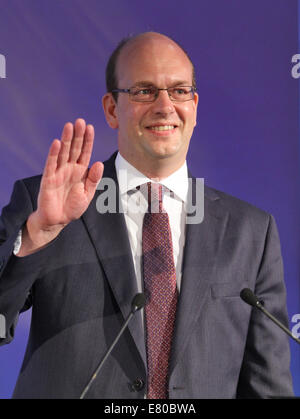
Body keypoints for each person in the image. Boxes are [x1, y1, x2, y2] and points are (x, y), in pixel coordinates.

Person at [0, 32, 294, 399]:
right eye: (144, 91)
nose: (165, 105)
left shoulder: (251, 232)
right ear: (111, 109)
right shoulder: (46, 205)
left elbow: (268, 386)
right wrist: (35, 236)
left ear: (195, 106)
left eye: (180, 91)